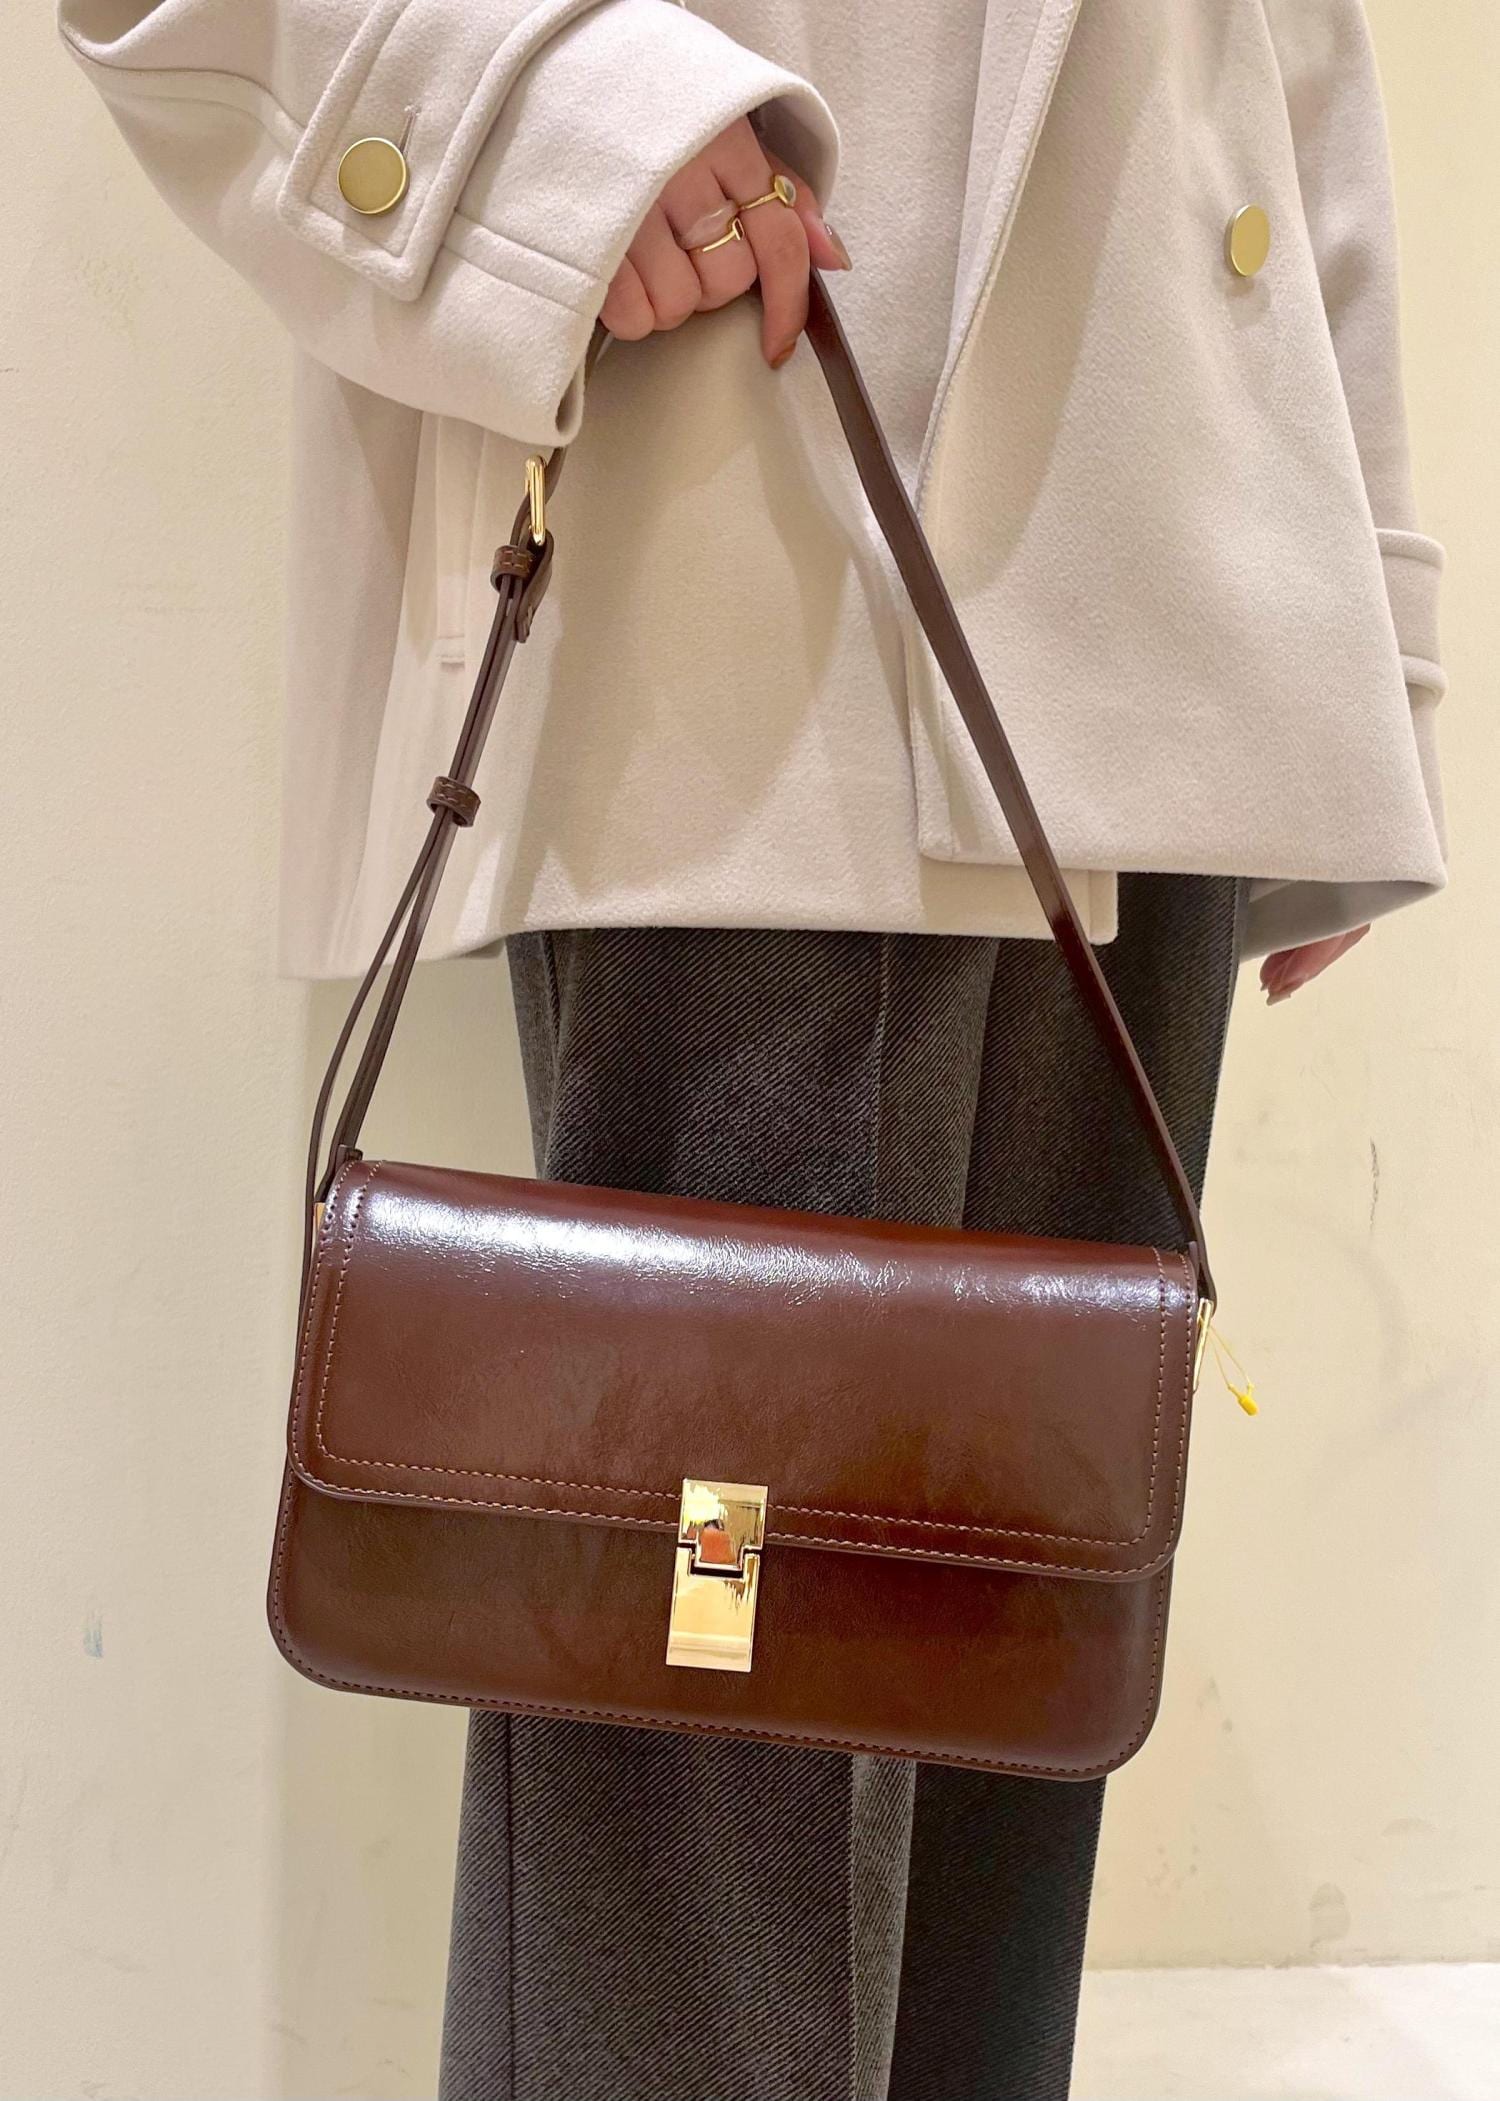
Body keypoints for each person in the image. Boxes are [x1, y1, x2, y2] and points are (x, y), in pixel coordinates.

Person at [59, 2, 1446, 2094]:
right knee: (706, 1843)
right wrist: (549, 109)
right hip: (740, 599)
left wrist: (1352, 636)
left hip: (1166, 593)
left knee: (1004, 1724)